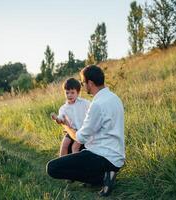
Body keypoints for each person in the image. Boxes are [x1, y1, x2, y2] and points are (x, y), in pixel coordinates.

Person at [46, 65, 125, 197]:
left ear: (90, 83)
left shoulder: (97, 104)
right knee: (81, 154)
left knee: (52, 168)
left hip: (101, 157)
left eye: (83, 82)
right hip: (117, 158)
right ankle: (107, 175)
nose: (82, 85)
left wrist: (66, 127)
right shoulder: (115, 98)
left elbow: (80, 137)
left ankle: (100, 178)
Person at [51, 77, 90, 156]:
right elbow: (61, 119)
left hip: (81, 131)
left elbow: (92, 110)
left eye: (72, 93)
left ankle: (75, 163)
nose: (69, 95)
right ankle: (62, 162)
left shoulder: (84, 103)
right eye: (67, 93)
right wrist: (56, 119)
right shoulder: (64, 108)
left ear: (78, 92)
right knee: (64, 145)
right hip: (71, 130)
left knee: (75, 147)